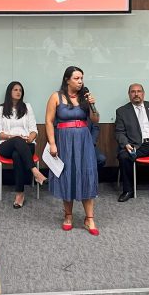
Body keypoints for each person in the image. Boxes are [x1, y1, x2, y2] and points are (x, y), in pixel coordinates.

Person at [45, 66, 100, 235]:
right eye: (76, 78)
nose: (80, 81)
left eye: (81, 78)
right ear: (67, 79)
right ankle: (68, 215)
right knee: (67, 175)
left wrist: (92, 105)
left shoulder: (85, 98)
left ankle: (89, 218)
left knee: (86, 174)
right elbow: (48, 121)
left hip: (84, 140)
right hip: (64, 141)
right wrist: (52, 144)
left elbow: (95, 119)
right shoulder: (56, 96)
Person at [0, 81, 47, 208]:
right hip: (6, 144)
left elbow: (34, 130)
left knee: (17, 155)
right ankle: (35, 171)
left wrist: (29, 138)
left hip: (26, 145)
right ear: (9, 92)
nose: (18, 92)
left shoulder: (27, 107)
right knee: (17, 141)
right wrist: (12, 137)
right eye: (15, 90)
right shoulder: (0, 109)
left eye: (20, 90)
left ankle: (20, 194)